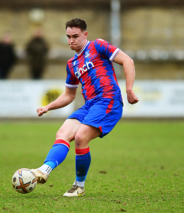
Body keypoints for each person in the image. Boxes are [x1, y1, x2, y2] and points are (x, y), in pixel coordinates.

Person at [31, 18, 139, 197]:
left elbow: (128, 61)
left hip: (108, 101)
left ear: (85, 34)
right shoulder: (71, 64)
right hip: (90, 105)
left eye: (75, 36)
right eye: (68, 37)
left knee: (81, 137)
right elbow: (69, 95)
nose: (71, 40)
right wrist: (48, 107)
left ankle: (78, 185)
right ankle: (44, 170)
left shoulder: (98, 46)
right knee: (62, 134)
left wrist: (129, 89)